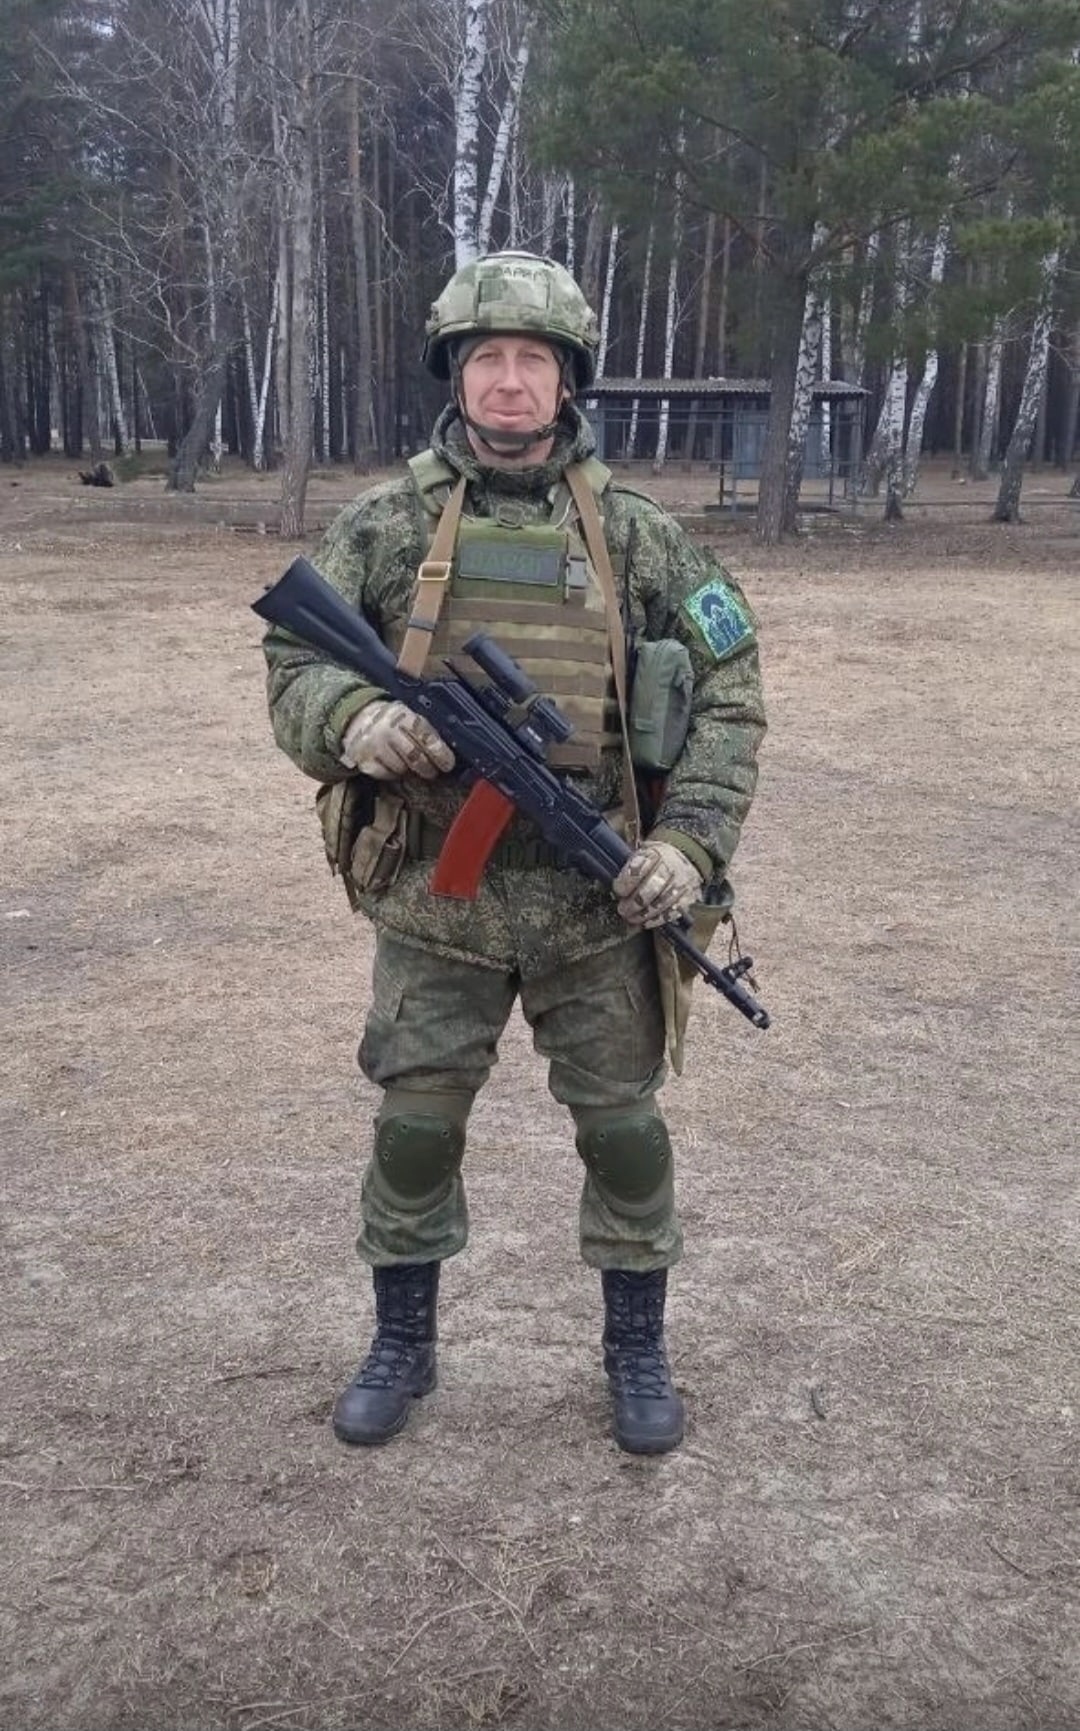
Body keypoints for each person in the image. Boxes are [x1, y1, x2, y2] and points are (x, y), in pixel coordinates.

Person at [261, 250, 766, 1455]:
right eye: (485, 356)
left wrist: (690, 846)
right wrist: (354, 718)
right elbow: (294, 661)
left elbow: (732, 691)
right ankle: (403, 1342)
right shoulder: (386, 525)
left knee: (626, 1135)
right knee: (416, 1128)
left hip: (601, 908)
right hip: (438, 905)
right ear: (456, 372)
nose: (507, 380)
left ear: (566, 379)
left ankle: (636, 1349)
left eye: (530, 359)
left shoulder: (639, 537)